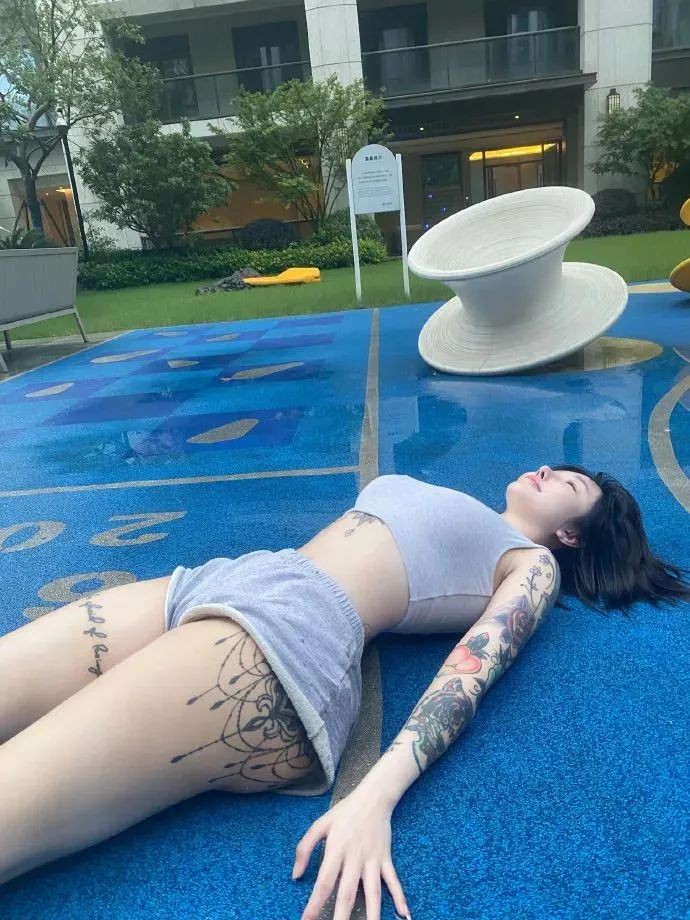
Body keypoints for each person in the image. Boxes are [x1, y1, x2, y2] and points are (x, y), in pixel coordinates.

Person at [0, 466, 687, 920]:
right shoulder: (467, 507)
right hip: (233, 577)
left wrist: (375, 796)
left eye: (569, 482)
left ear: (571, 533)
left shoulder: (533, 563)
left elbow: (473, 669)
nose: (547, 470)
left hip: (290, 635)